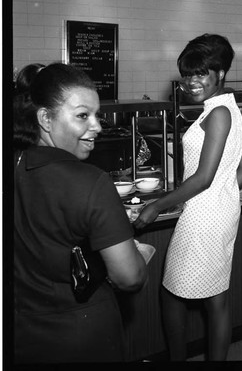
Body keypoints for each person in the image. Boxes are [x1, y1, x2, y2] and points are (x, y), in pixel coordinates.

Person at [14, 62, 148, 363]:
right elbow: (128, 277)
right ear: (45, 119)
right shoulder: (91, 182)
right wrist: (140, 257)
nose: (97, 126)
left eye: (96, 115)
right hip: (82, 334)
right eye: (82, 116)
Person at [134, 33, 242, 361]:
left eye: (201, 73)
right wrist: (223, 194)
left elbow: (202, 177)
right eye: (187, 74)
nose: (191, 81)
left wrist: (157, 205)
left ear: (221, 73)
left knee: (173, 295)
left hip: (203, 217)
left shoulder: (217, 113)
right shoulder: (229, 106)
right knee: (216, 299)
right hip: (219, 212)